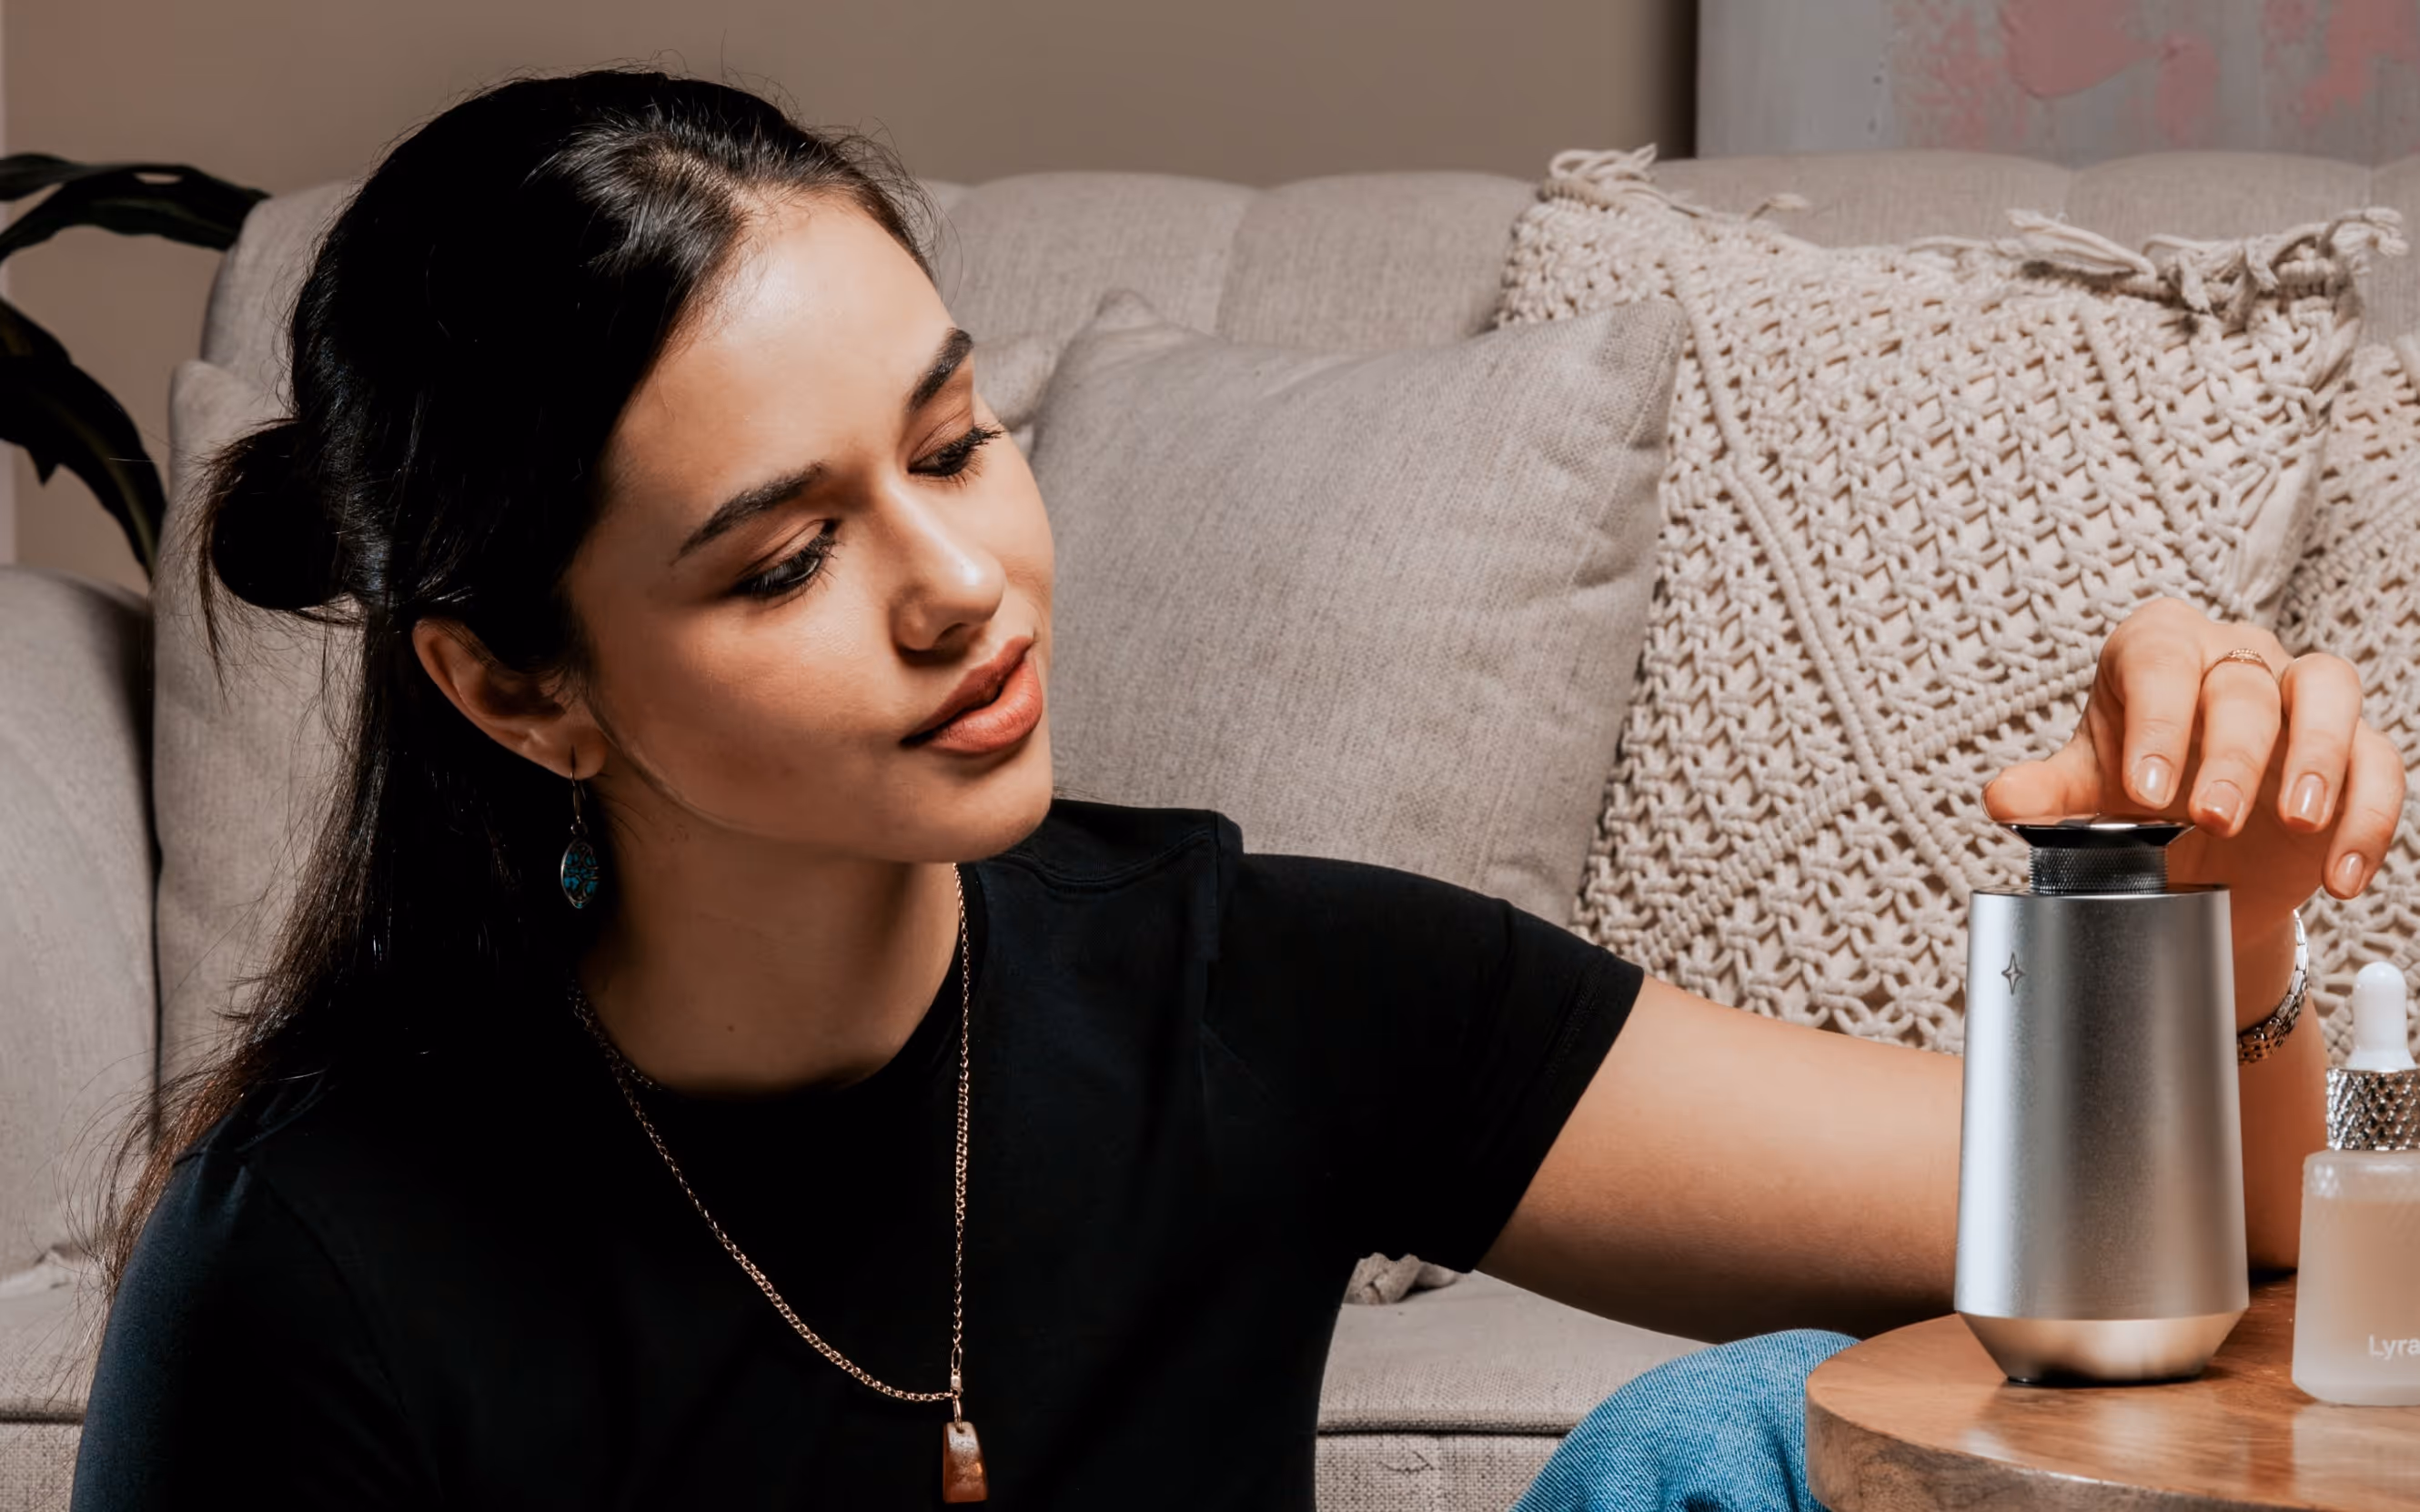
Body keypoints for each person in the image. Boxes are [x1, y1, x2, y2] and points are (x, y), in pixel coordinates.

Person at [66, 68, 2405, 1512]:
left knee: (1720, 1447)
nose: (960, 585)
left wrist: (2218, 912)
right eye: (784, 560)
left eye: (955, 443)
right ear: (516, 689)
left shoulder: (1259, 991)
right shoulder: (315, 1259)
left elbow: (2180, 1239)